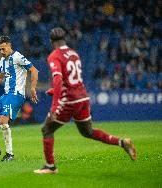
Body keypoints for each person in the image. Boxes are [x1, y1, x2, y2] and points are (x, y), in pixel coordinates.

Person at [34, 27, 137, 174]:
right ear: (65, 39)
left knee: (47, 129)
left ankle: (51, 167)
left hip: (69, 101)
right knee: (88, 132)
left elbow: (58, 79)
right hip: (82, 98)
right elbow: (72, 80)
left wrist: (55, 106)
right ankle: (122, 142)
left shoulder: (54, 55)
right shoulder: (74, 54)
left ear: (51, 41)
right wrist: (54, 91)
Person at [0, 35, 39, 161]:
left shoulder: (17, 57)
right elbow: (0, 77)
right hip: (6, 95)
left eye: (3, 49)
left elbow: (34, 70)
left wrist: (32, 88)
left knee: (2, 121)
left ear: (9, 45)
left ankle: (10, 154)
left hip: (16, 95)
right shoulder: (3, 61)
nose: (1, 52)